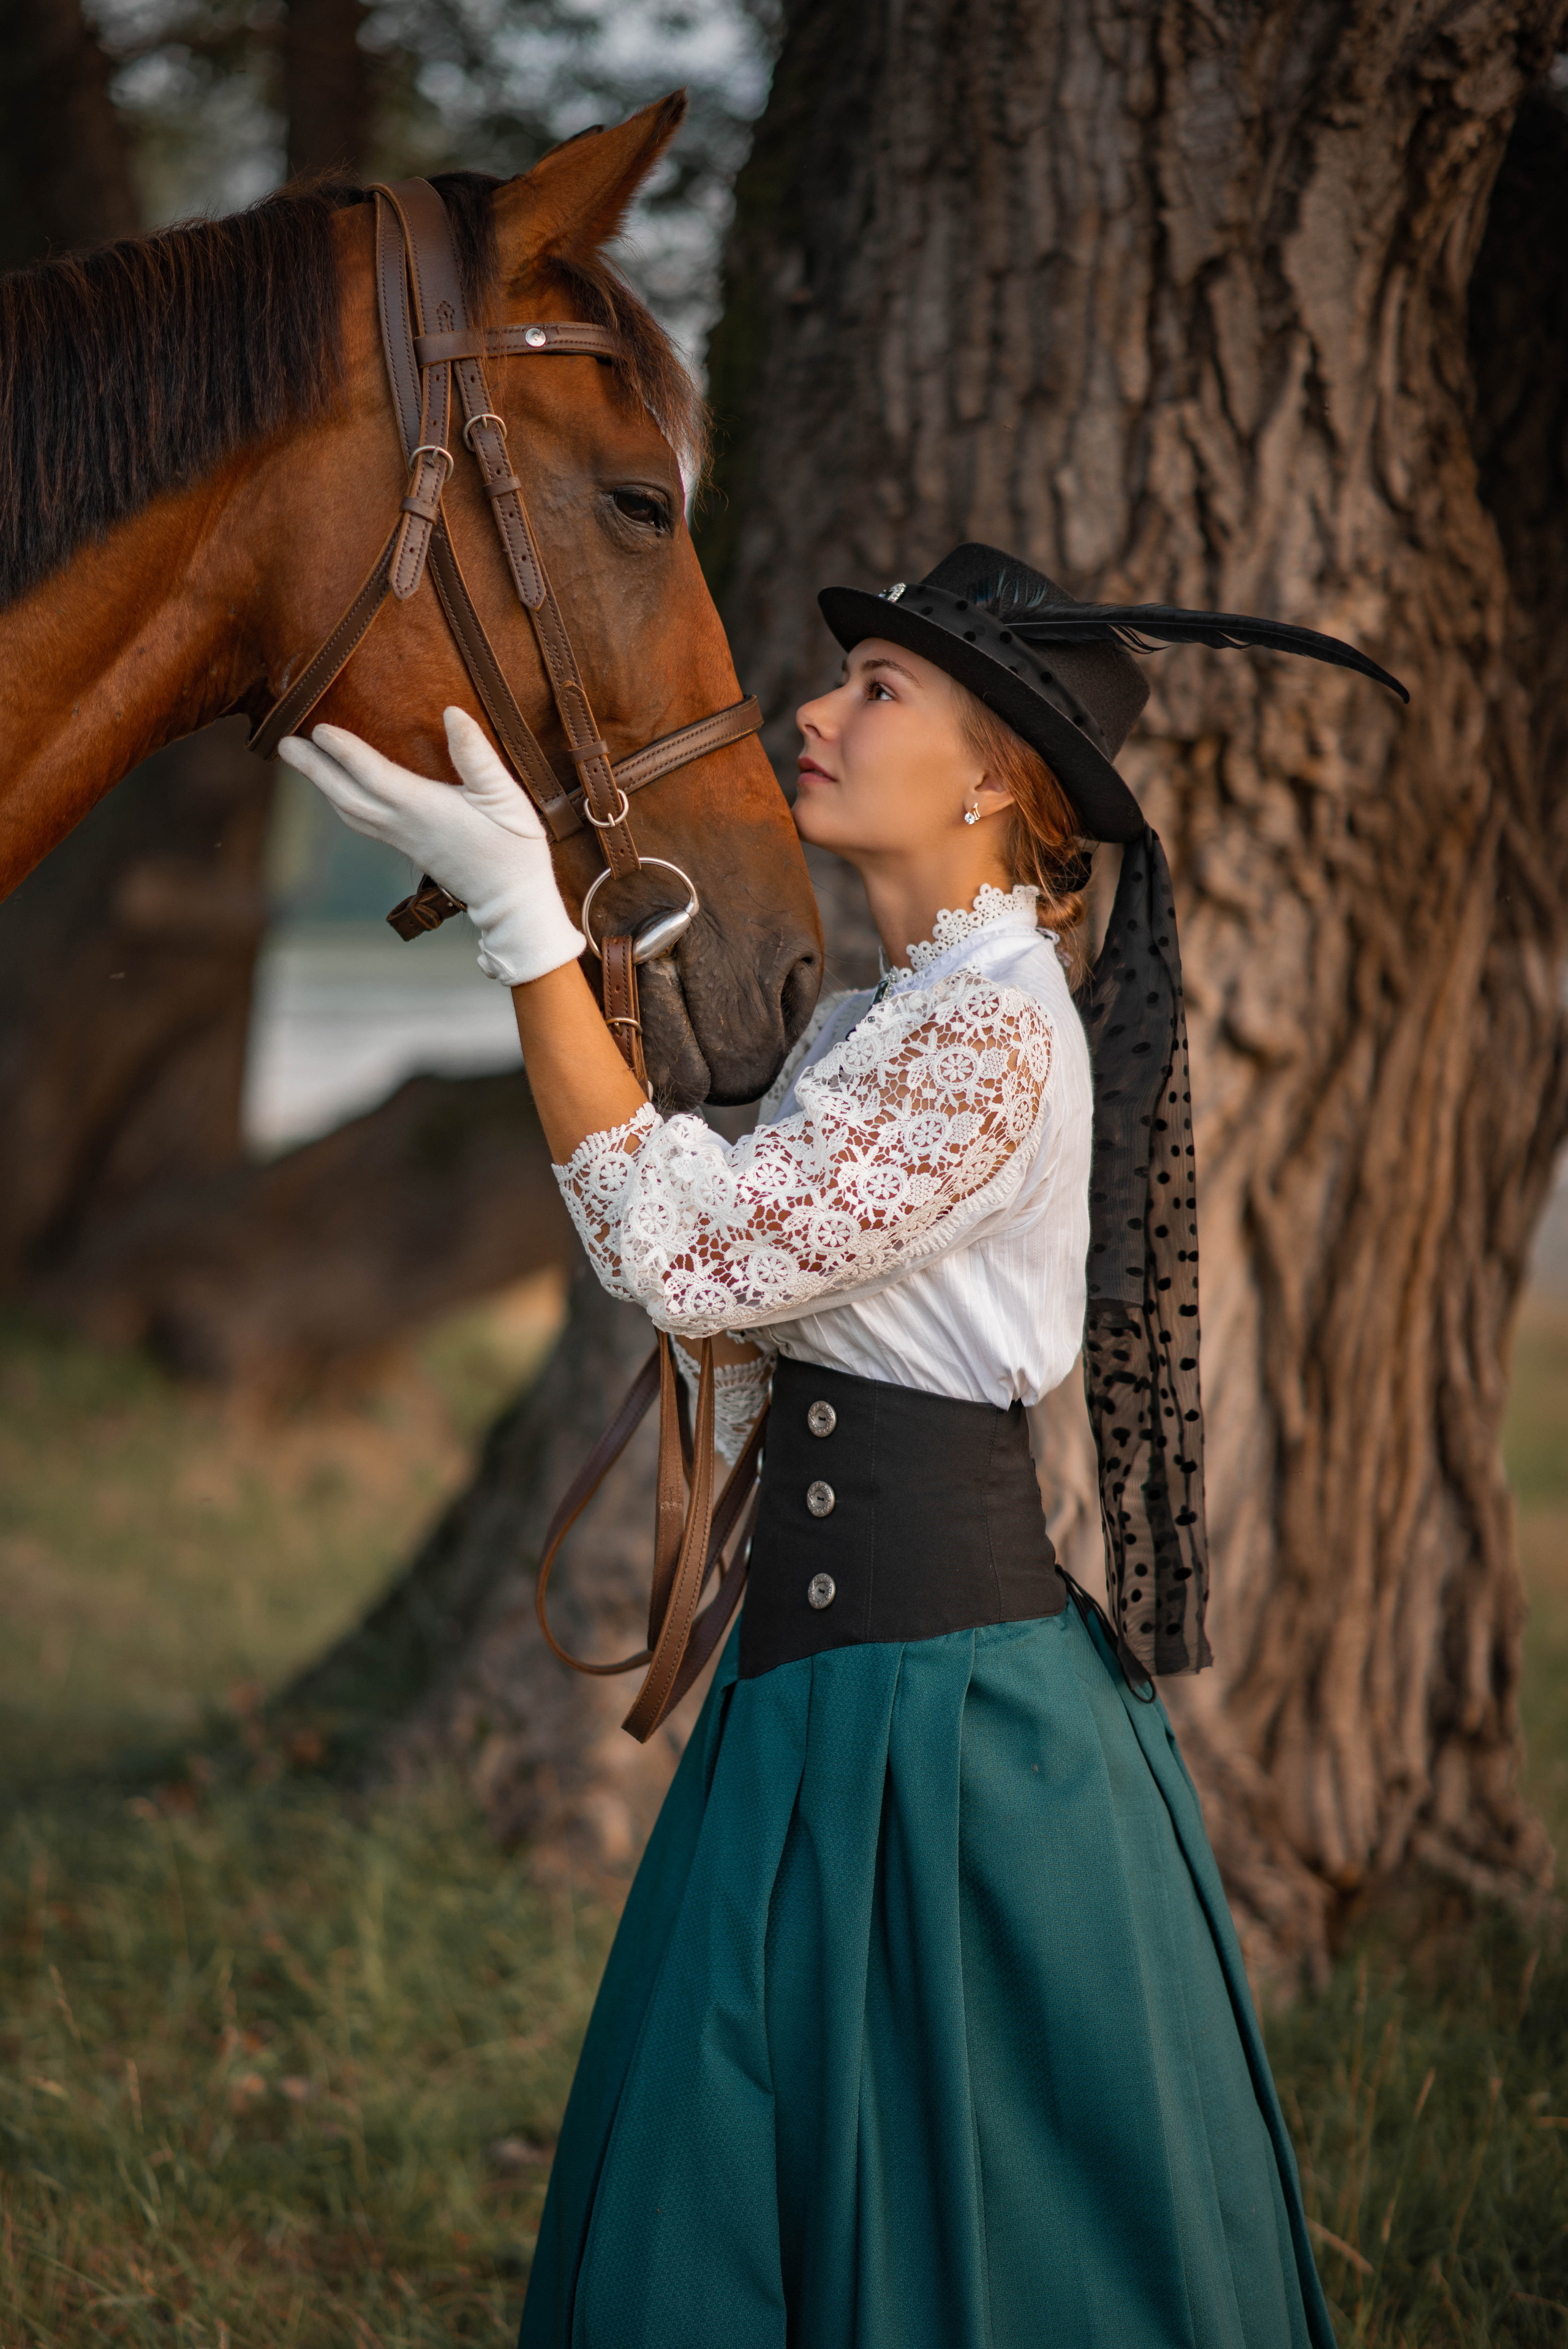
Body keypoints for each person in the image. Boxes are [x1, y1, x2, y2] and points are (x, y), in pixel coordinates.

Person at [281, 543, 1406, 2348]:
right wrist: (585, 966)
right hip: (810, 1694)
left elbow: (689, 1251)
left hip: (953, 1721)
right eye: (846, 680)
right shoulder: (874, 1021)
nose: (817, 710)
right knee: (731, 2159)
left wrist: (523, 932)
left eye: (878, 689)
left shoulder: (994, 1039)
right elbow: (739, 1302)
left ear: (988, 777)